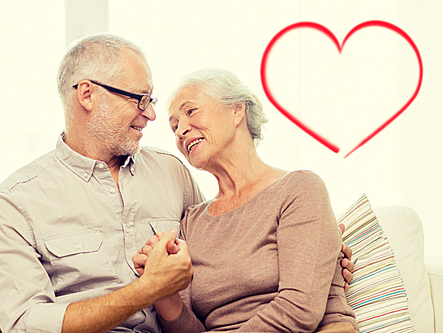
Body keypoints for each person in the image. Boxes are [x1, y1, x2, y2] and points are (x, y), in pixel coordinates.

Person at [0, 34, 353, 333]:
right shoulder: (15, 202)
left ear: (237, 110)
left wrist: (319, 246)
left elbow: (236, 241)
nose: (153, 116)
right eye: (139, 99)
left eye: (183, 111)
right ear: (87, 95)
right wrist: (148, 291)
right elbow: (24, 324)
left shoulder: (172, 173)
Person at [133, 68, 359, 332]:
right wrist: (161, 290)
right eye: (174, 126)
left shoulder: (299, 189)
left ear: (236, 110)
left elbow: (300, 309)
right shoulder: (192, 222)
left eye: (191, 112)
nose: (181, 130)